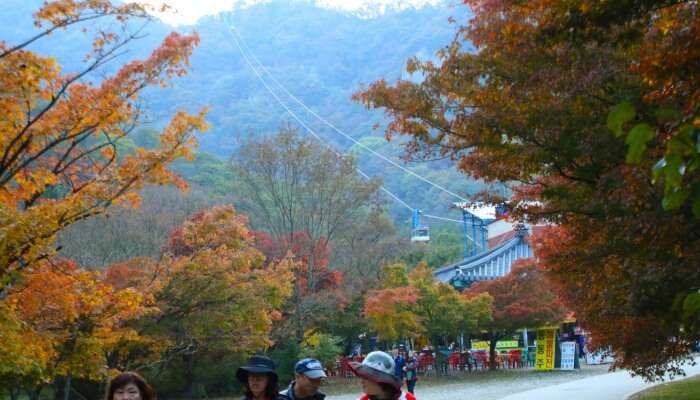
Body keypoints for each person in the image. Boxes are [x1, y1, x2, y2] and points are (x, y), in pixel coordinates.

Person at [349, 351, 416, 400]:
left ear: (382, 381)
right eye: (362, 376)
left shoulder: (407, 398)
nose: (361, 381)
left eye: (366, 377)